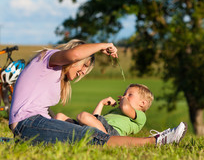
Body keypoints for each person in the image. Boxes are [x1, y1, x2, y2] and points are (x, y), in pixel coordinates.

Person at [9, 39, 187, 147]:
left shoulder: (54, 76)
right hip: (28, 124)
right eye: (84, 65)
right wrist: (103, 46)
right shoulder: (50, 57)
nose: (83, 72)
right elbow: (73, 54)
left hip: (31, 126)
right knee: (91, 137)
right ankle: (154, 142)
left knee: (78, 134)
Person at [55, 83, 154, 136]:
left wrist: (124, 100)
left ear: (142, 103)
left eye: (130, 95)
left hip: (112, 132)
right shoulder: (115, 111)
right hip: (99, 127)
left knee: (83, 116)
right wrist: (101, 103)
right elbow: (94, 118)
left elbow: (125, 107)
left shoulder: (140, 115)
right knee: (60, 116)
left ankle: (107, 139)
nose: (124, 96)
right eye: (124, 94)